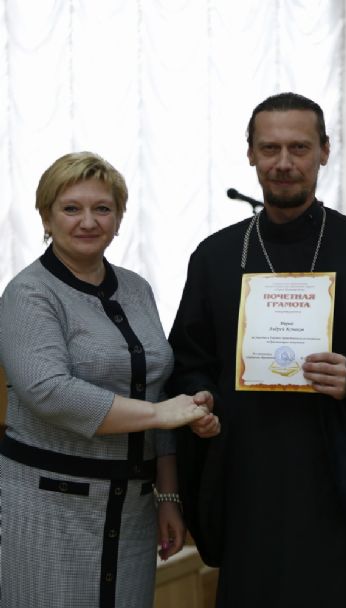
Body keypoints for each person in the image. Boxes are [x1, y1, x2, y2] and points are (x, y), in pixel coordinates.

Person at [167, 93, 346, 607]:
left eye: (299, 147)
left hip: (344, 485)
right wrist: (201, 398)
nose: (284, 163)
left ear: (325, 151)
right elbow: (188, 360)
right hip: (250, 477)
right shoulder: (215, 257)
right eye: (270, 148)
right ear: (250, 153)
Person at [0, 151, 219, 608]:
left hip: (133, 511)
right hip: (46, 509)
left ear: (119, 219)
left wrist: (168, 496)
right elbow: (49, 391)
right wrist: (159, 414)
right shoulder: (28, 292)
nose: (88, 221)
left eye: (102, 208)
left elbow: (159, 387)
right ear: (46, 217)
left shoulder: (137, 289)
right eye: (71, 208)